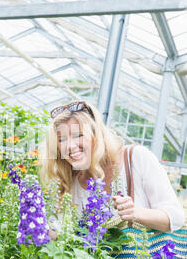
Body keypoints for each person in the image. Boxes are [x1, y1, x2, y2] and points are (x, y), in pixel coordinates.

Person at [40, 100, 185, 240]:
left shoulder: (136, 158)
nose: (70, 146)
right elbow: (62, 234)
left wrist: (135, 212)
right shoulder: (69, 182)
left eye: (78, 135)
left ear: (96, 134)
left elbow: (176, 217)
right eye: (61, 139)